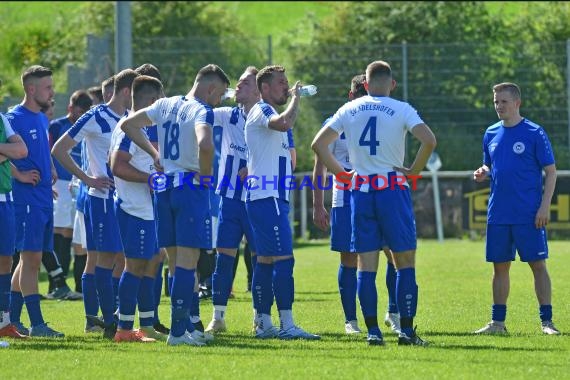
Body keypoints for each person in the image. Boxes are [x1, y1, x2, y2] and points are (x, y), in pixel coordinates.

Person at [312, 60, 435, 346]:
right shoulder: (402, 108)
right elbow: (429, 140)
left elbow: (318, 145)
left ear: (365, 85)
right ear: (392, 84)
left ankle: (373, 332)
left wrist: (342, 174)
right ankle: (406, 331)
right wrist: (415, 170)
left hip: (361, 192)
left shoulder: (348, 109)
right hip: (392, 189)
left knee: (366, 265)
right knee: (404, 262)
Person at [121, 63, 230, 346]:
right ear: (211, 89)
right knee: (187, 262)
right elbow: (205, 145)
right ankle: (179, 332)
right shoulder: (200, 110)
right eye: (219, 95)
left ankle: (189, 328)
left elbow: (128, 124)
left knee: (175, 262)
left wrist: (155, 153)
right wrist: (206, 178)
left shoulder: (166, 104)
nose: (217, 101)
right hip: (188, 189)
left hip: (163, 188)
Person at [52, 68, 139, 338]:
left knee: (117, 258)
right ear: (126, 92)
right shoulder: (95, 116)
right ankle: (106, 321)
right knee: (104, 258)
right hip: (101, 199)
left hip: (124, 199)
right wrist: (87, 178)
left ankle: (98, 318)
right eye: (135, 93)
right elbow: (59, 149)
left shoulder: (128, 118)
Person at [312, 74, 401, 336]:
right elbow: (320, 166)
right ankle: (351, 320)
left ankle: (393, 312)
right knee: (349, 257)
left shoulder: (385, 117)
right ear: (352, 97)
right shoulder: (337, 121)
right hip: (347, 194)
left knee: (393, 253)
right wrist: (318, 204)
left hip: (380, 191)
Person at [473, 82, 560, 336]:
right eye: (496, 102)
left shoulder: (534, 132)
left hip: (529, 214)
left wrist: (544, 207)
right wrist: (483, 172)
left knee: (537, 265)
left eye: (504, 102)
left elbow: (551, 172)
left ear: (517, 103)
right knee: (499, 268)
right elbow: (490, 165)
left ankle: (547, 323)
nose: (499, 106)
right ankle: (497, 324)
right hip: (498, 214)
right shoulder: (490, 133)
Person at [244, 64, 320, 340]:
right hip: (267, 198)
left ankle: (263, 323)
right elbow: (285, 123)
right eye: (281, 83)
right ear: (264, 88)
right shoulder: (264, 109)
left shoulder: (267, 111)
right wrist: (297, 99)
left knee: (265, 261)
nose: (287, 88)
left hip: (268, 197)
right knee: (284, 260)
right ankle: (286, 324)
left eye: (287, 83)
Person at [6, 65, 65, 337]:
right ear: (31, 89)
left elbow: (42, 150)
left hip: (42, 196)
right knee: (30, 260)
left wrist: (50, 168)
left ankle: (12, 321)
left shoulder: (41, 119)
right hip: (25, 198)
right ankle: (38, 324)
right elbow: (7, 154)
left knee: (29, 261)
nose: (52, 93)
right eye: (48, 88)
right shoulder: (13, 117)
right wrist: (18, 174)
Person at [110, 75, 166, 343]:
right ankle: (123, 329)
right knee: (134, 267)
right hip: (134, 209)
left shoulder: (138, 128)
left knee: (147, 266)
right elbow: (117, 165)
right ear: (153, 101)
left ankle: (146, 325)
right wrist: (149, 178)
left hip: (144, 208)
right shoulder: (128, 129)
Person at [204, 66, 260, 334]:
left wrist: (254, 166)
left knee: (260, 260)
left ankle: (260, 317)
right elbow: (199, 116)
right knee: (224, 258)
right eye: (237, 83)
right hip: (229, 199)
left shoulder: (267, 119)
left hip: (258, 198)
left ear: (259, 90)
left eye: (245, 84)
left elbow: (287, 157)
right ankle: (218, 317)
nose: (238, 87)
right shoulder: (227, 116)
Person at [133, 62, 170, 335]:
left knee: (156, 256)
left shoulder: (164, 115)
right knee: (139, 260)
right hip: (138, 195)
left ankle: (149, 317)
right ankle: (128, 321)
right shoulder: (140, 120)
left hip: (157, 190)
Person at [48, 90, 92, 294]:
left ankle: (77, 286)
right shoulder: (57, 126)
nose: (79, 115)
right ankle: (56, 283)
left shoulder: (88, 126)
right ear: (70, 108)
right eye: (78, 111)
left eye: (84, 112)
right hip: (60, 183)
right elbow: (50, 151)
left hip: (78, 184)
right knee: (60, 230)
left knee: (76, 237)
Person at [0, 112, 29, 339]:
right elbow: (13, 151)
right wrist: (5, 151)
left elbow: (21, 150)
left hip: (5, 200)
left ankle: (4, 322)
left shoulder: (2, 118)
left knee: (6, 259)